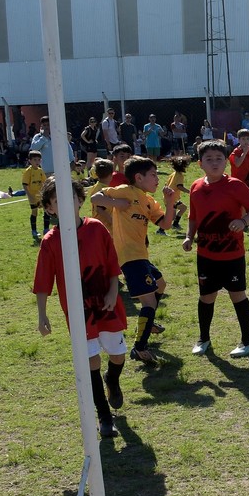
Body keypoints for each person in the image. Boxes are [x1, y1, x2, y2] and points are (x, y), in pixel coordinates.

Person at [32, 177, 126, 438]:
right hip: (79, 312)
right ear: (50, 208)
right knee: (91, 360)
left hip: (106, 304)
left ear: (80, 201)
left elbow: (111, 265)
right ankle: (105, 417)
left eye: (70, 198)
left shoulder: (96, 229)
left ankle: (113, 379)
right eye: (56, 201)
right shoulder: (51, 241)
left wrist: (112, 290)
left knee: (117, 355)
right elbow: (42, 282)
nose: (65, 204)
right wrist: (42, 315)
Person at [90, 156, 178, 364]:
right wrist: (115, 203)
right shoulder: (125, 190)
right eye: (154, 175)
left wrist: (170, 203)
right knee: (148, 302)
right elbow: (95, 199)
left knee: (161, 284)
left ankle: (149, 323)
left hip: (141, 254)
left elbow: (165, 224)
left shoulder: (149, 201)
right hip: (129, 256)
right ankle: (139, 348)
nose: (158, 179)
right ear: (138, 177)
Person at [182, 140, 249, 359]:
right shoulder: (196, 186)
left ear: (226, 162)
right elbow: (193, 216)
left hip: (232, 254)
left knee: (237, 295)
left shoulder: (235, 185)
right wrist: (189, 236)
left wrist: (244, 221)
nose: (215, 163)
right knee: (206, 297)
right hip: (206, 255)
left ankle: (248, 341)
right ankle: (203, 339)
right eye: (209, 159)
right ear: (200, 164)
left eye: (219, 158)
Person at [22, 150, 48, 239]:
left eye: (39, 160)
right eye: (35, 160)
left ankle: (46, 229)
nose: (37, 162)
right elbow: (25, 185)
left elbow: (45, 182)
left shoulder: (40, 171)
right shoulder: (28, 171)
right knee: (34, 212)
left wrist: (44, 194)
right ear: (30, 160)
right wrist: (29, 196)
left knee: (46, 210)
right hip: (32, 196)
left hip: (40, 195)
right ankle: (34, 231)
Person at [87, 158, 117, 230]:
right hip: (104, 226)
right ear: (111, 175)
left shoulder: (97, 186)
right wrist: (112, 221)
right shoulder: (103, 190)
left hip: (100, 224)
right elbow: (99, 209)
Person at [165, 154, 191, 232]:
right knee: (171, 216)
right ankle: (161, 229)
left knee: (183, 208)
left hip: (171, 197)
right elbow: (179, 186)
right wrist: (189, 191)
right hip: (171, 198)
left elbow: (167, 184)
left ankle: (175, 224)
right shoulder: (179, 175)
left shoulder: (173, 174)